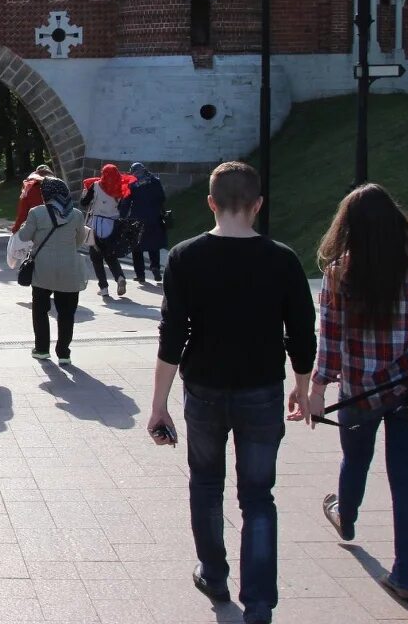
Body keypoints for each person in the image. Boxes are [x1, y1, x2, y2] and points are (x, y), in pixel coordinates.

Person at [148, 161, 315, 624]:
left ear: (211, 203)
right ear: (258, 205)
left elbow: (171, 336)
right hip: (261, 388)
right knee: (258, 495)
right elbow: (302, 332)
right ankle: (259, 600)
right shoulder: (282, 259)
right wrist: (302, 387)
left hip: (202, 387)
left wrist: (159, 404)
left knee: (205, 483)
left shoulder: (185, 256)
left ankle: (215, 574)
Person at [308, 183, 408, 603]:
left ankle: (346, 518)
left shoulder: (337, 273)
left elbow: (329, 339)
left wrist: (316, 389)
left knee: (356, 460)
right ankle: (405, 573)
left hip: (358, 391)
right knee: (405, 479)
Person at [17, 178, 89, 365]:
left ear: (45, 194)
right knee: (67, 313)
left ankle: (41, 349)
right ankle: (64, 352)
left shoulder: (37, 213)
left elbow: (24, 236)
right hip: (69, 270)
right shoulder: (76, 215)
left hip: (42, 269)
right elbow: (79, 241)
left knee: (40, 310)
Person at [80, 164, 133, 298]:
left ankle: (104, 288)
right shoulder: (121, 187)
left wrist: (85, 193)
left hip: (97, 224)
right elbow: (123, 207)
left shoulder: (96, 185)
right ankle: (120, 277)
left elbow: (84, 202)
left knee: (96, 257)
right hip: (113, 225)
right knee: (110, 255)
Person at [125, 162, 167, 283]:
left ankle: (140, 275)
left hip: (137, 219)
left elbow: (126, 202)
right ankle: (155, 268)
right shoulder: (155, 181)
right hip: (154, 218)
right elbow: (162, 198)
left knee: (136, 247)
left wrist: (123, 216)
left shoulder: (132, 184)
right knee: (154, 245)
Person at [10, 164, 53, 233]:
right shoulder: (59, 188)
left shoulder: (29, 189)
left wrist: (16, 228)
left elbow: (22, 213)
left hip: (37, 228)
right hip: (57, 226)